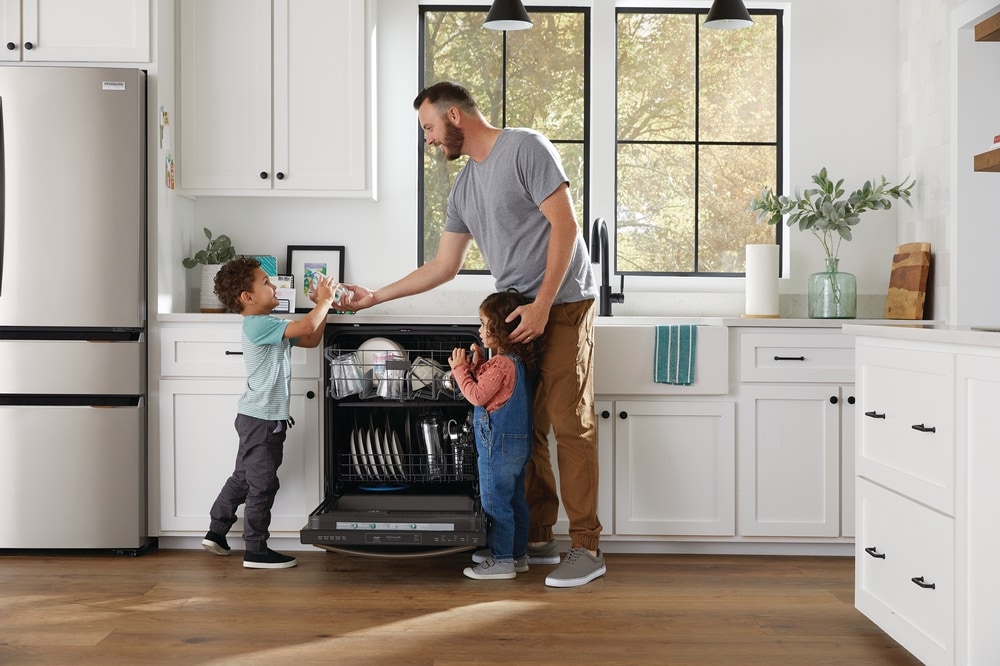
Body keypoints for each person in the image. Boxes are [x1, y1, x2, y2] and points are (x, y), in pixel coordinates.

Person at [341, 81, 605, 588]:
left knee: (571, 424)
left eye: (429, 128)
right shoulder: (464, 187)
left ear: (455, 116)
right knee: (522, 431)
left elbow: (566, 228)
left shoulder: (525, 148)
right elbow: (443, 266)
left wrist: (544, 304)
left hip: (564, 304)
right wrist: (374, 297)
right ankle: (537, 535)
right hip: (513, 317)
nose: (429, 141)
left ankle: (587, 547)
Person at [201, 256, 337, 569]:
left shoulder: (270, 325)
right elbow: (307, 325)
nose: (274, 285)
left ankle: (217, 532)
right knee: (263, 485)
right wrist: (325, 300)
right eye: (266, 282)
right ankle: (256, 550)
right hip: (262, 420)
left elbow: (312, 336)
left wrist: (323, 306)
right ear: (247, 298)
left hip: (258, 417)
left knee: (244, 478)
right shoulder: (258, 324)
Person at [448, 290, 542, 580]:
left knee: (494, 502)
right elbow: (496, 392)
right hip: (517, 445)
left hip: (496, 448)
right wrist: (478, 364)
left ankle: (501, 561)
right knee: (514, 501)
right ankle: (517, 555)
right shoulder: (514, 361)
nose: (479, 329)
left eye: (483, 322)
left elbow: (477, 396)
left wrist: (460, 369)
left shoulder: (501, 364)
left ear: (499, 327)